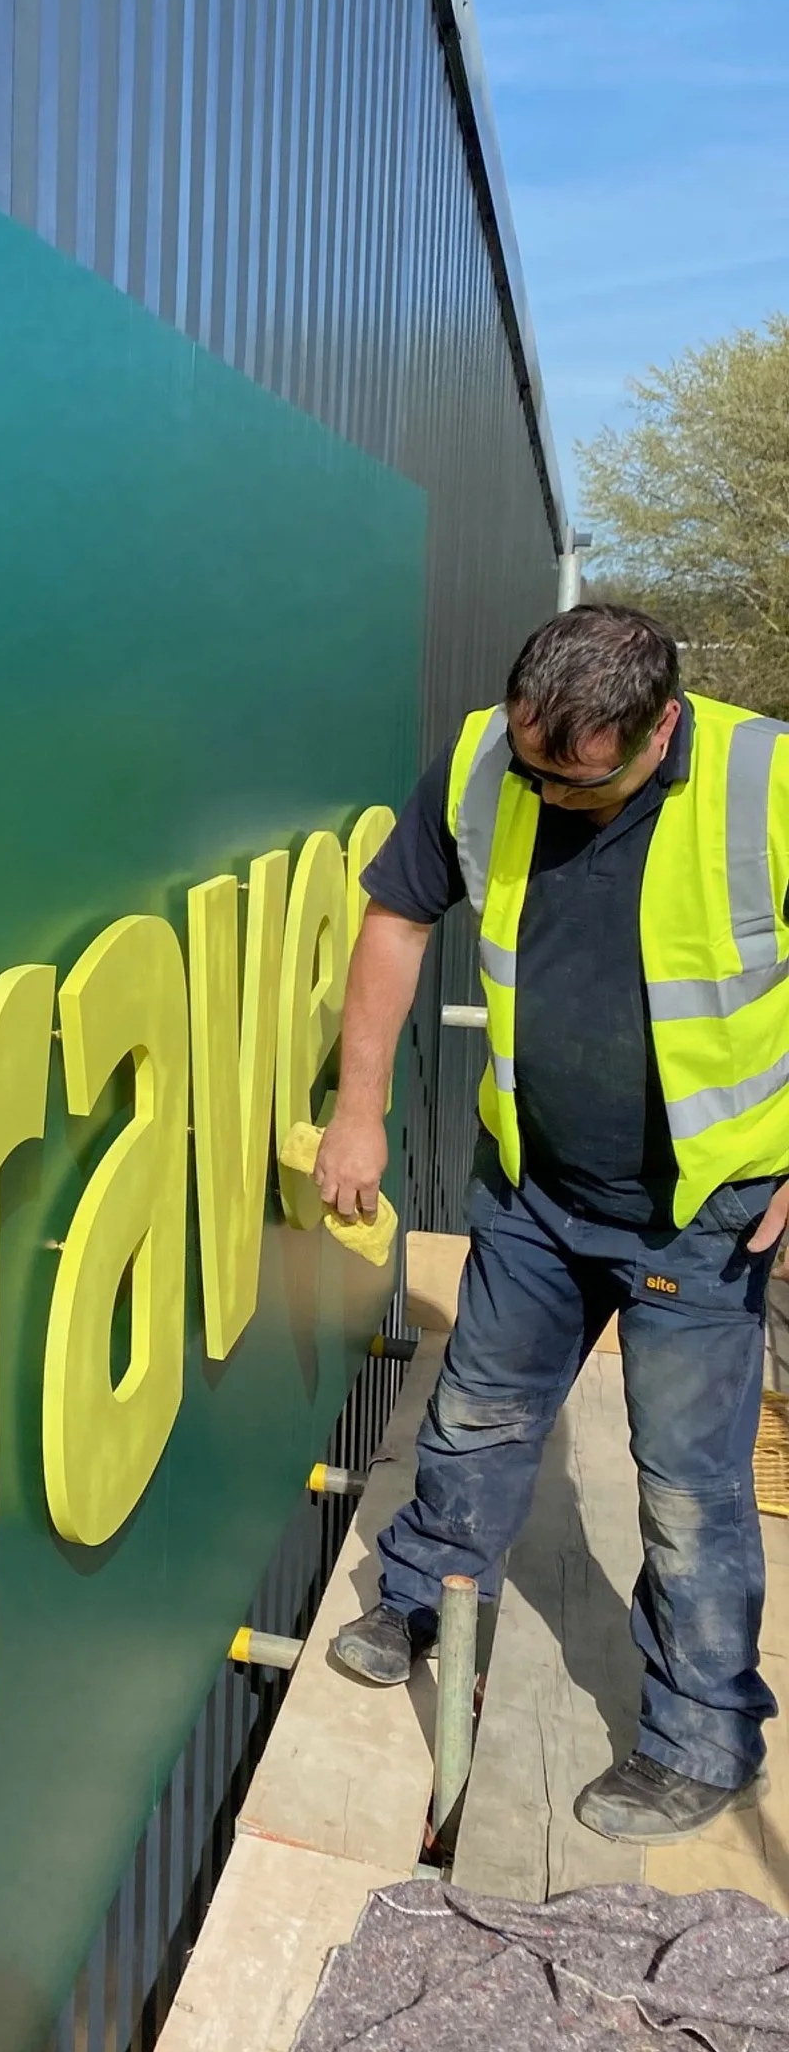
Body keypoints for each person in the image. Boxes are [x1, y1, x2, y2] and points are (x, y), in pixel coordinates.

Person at [316, 603, 789, 1842]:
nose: (548, 798)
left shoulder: (764, 780)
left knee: (687, 1484)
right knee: (476, 1412)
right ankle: (423, 1595)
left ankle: (701, 1735)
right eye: (534, 768)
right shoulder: (488, 758)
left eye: (578, 782)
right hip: (537, 1187)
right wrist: (357, 1113)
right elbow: (398, 922)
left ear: (660, 729)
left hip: (701, 1211)